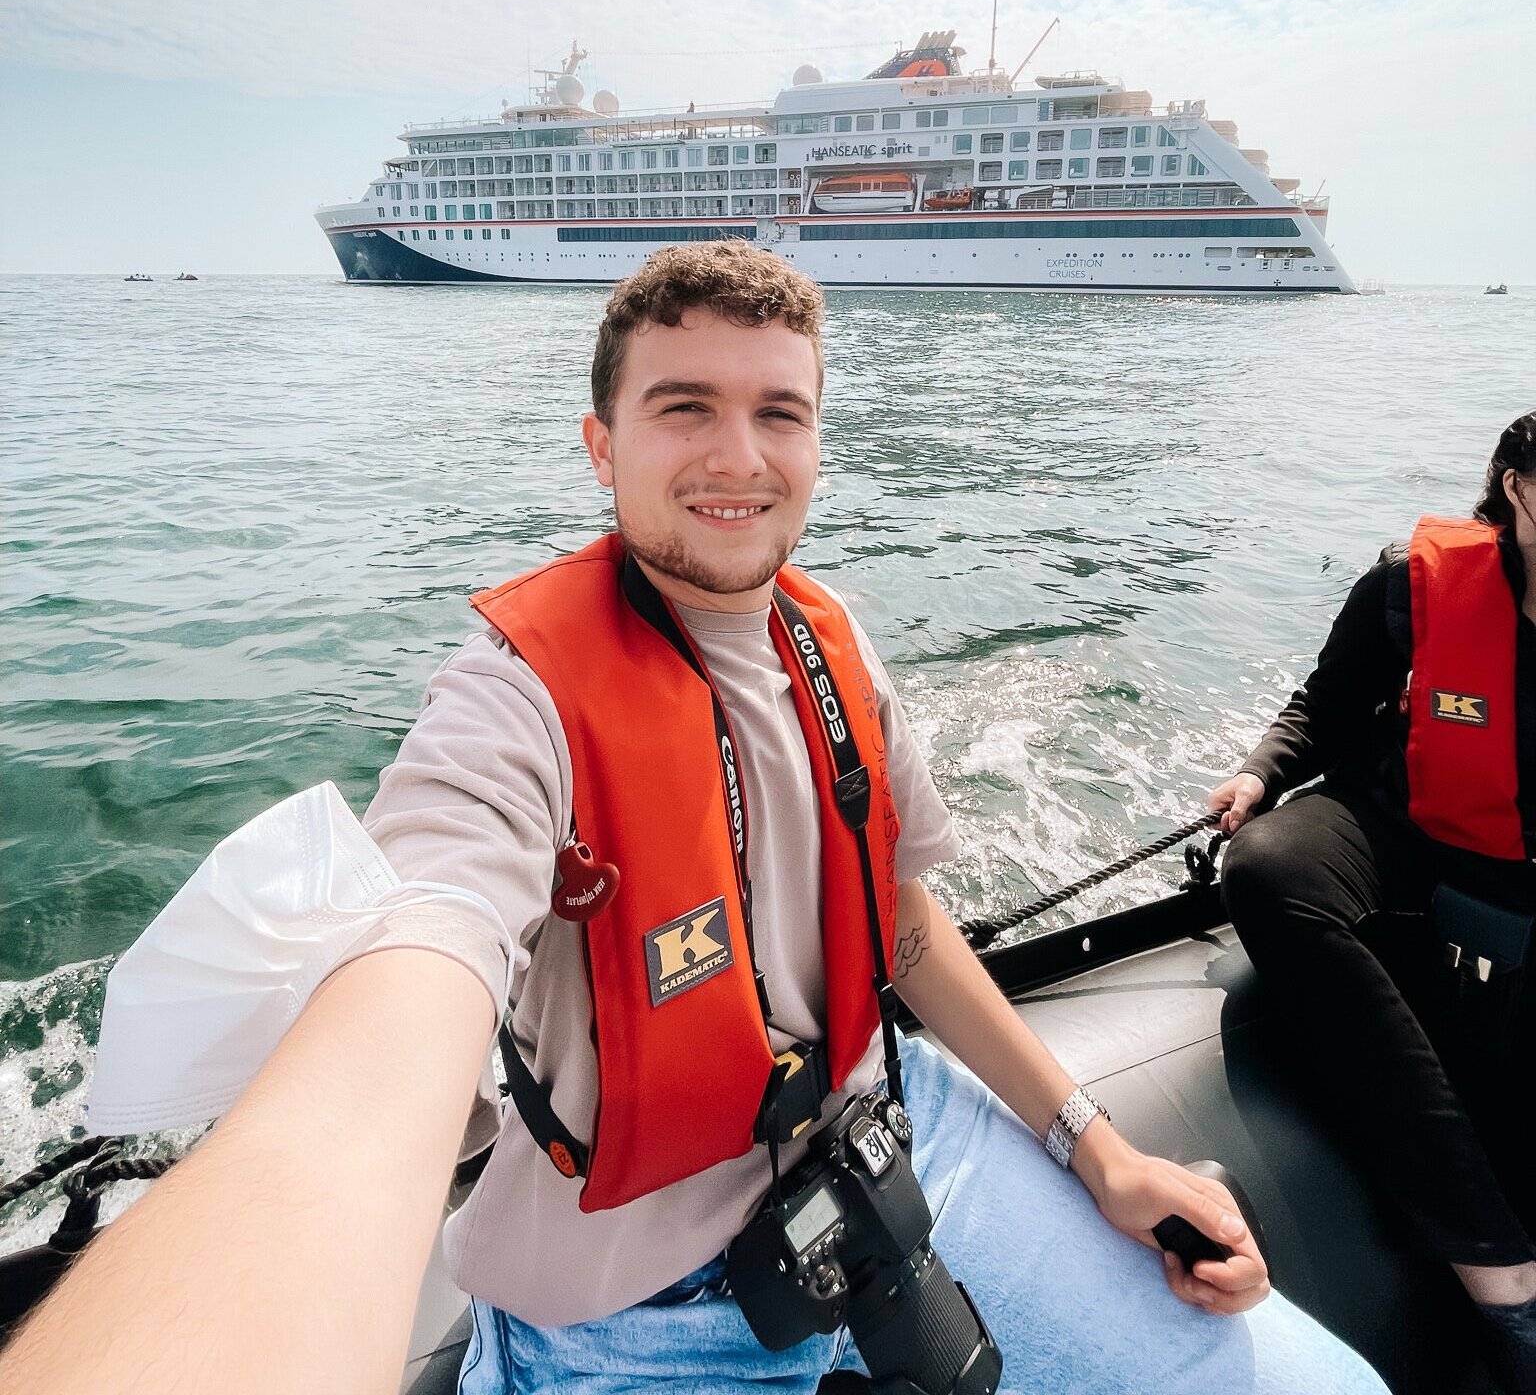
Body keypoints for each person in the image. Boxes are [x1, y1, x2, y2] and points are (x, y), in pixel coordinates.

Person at [3, 242, 1383, 1395]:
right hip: (630, 1312)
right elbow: (418, 957)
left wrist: (1101, 1147)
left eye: (780, 412)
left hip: (904, 1154)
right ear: (601, 445)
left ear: (820, 441)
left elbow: (899, 927)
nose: (740, 457)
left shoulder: (835, 648)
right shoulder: (513, 704)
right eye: (684, 408)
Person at [1212, 410, 1536, 1394]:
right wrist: (1262, 775)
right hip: (1410, 834)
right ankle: (1498, 1271)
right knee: (1269, 871)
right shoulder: (1416, 582)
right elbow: (1329, 703)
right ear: (1519, 491)